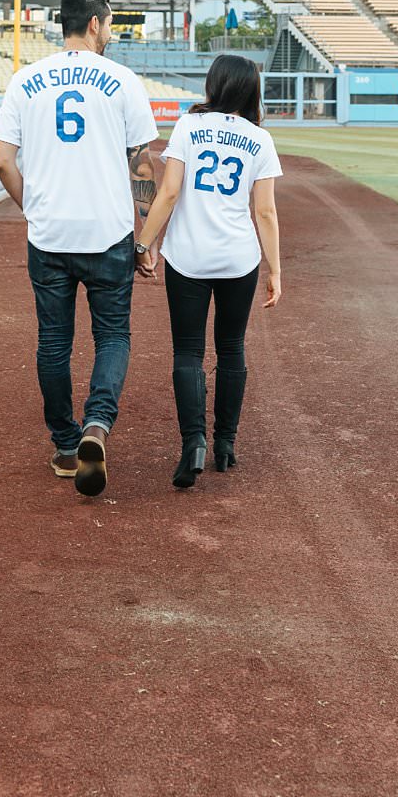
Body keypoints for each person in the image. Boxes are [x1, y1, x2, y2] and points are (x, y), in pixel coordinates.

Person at [0, 0, 161, 497]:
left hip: (50, 236)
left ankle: (66, 446)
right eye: (109, 25)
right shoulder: (123, 79)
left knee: (53, 342)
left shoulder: (25, 79)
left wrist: (34, 208)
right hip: (107, 232)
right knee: (111, 336)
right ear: (95, 23)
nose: (109, 33)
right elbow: (142, 163)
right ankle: (97, 426)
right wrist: (146, 234)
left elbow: (2, 160)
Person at [135, 53, 283, 489]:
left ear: (213, 86)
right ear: (251, 90)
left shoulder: (188, 126)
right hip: (239, 259)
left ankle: (193, 442)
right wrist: (275, 269)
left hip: (189, 257)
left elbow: (169, 192)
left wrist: (144, 242)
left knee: (188, 352)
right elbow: (266, 212)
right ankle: (226, 444)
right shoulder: (260, 139)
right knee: (232, 348)